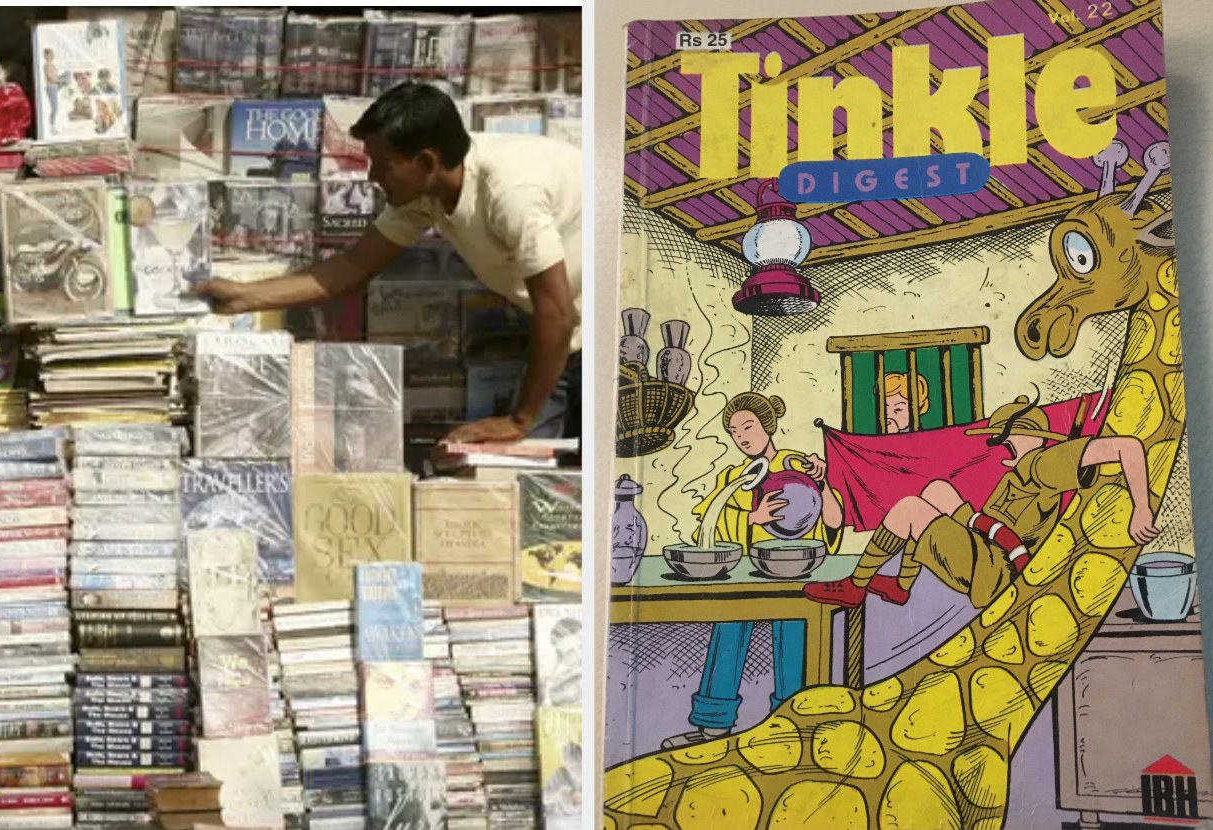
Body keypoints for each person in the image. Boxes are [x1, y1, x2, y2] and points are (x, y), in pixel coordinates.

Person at [193, 82, 582, 443]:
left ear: (426, 161)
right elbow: (352, 267)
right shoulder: (426, 191)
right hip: (566, 337)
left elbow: (557, 313)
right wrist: (243, 296)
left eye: (383, 164)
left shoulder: (511, 192)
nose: (372, 176)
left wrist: (518, 420)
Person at [805, 394, 1158, 609]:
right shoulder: (1023, 468)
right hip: (985, 541)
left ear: (1020, 437)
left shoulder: (1043, 464)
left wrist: (1142, 507)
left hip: (994, 566)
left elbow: (1127, 446)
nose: (994, 444)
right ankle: (900, 586)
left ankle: (856, 586)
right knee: (936, 490)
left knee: (910, 509)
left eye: (1000, 438)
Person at [661, 392, 843, 749]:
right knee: (729, 631)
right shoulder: (733, 476)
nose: (741, 436)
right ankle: (712, 727)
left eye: (748, 426)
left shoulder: (797, 467)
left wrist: (823, 483)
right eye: (733, 431)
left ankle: (793, 727)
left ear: (767, 426)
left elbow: (834, 521)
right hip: (746, 574)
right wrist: (751, 518)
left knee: (793, 637)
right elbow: (705, 533)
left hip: (794, 571)